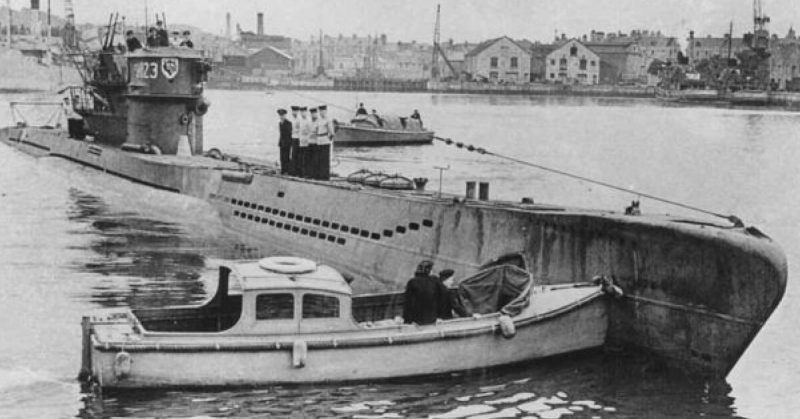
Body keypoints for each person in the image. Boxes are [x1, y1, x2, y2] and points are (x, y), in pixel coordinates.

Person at [402, 260, 453, 325]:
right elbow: (445, 295)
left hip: (417, 320)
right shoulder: (434, 280)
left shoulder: (412, 282)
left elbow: (408, 303)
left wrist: (408, 321)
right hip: (433, 318)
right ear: (430, 271)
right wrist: (441, 316)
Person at [315, 105, 334, 180]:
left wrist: (328, 139)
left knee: (325, 160)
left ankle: (325, 176)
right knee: (319, 159)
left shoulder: (328, 120)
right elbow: (317, 130)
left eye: (322, 111)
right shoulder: (319, 120)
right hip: (319, 140)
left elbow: (332, 133)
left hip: (325, 141)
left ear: (325, 111)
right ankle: (320, 175)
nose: (321, 113)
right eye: (320, 111)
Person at [297, 106, 312, 178]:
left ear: (306, 112)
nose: (302, 114)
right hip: (301, 142)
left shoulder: (309, 120)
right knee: (301, 158)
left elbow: (311, 131)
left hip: (307, 142)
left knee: (306, 159)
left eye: (303, 112)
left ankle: (306, 173)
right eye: (301, 112)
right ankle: (301, 173)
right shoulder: (300, 120)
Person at [277, 108, 292, 174]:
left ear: (285, 115)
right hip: (282, 143)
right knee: (282, 157)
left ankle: (287, 170)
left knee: (286, 157)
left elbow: (289, 134)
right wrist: (280, 142)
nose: (281, 116)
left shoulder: (288, 123)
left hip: (287, 143)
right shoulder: (280, 123)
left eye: (282, 115)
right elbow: (281, 134)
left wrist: (289, 143)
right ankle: (283, 170)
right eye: (280, 115)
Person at [307, 107, 320, 179]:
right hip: (310, 143)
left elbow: (318, 133)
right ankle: (310, 174)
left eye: (314, 113)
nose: (313, 115)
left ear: (316, 113)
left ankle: (315, 175)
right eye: (312, 113)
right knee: (309, 159)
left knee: (315, 160)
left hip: (316, 143)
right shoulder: (309, 122)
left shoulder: (318, 122)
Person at [289, 106, 301, 176]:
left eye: (295, 111)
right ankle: (293, 171)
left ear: (297, 112)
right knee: (293, 155)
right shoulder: (292, 119)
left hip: (298, 138)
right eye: (293, 111)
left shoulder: (299, 119)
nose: (294, 112)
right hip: (293, 138)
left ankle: (297, 171)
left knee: (297, 155)